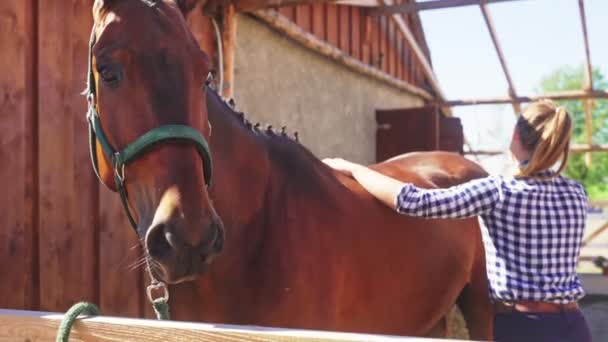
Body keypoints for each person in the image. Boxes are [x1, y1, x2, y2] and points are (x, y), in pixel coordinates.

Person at [323, 100, 592, 342]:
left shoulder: (498, 191)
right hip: (574, 326)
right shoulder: (577, 193)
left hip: (523, 327)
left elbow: (414, 201)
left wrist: (355, 170)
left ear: (515, 136)